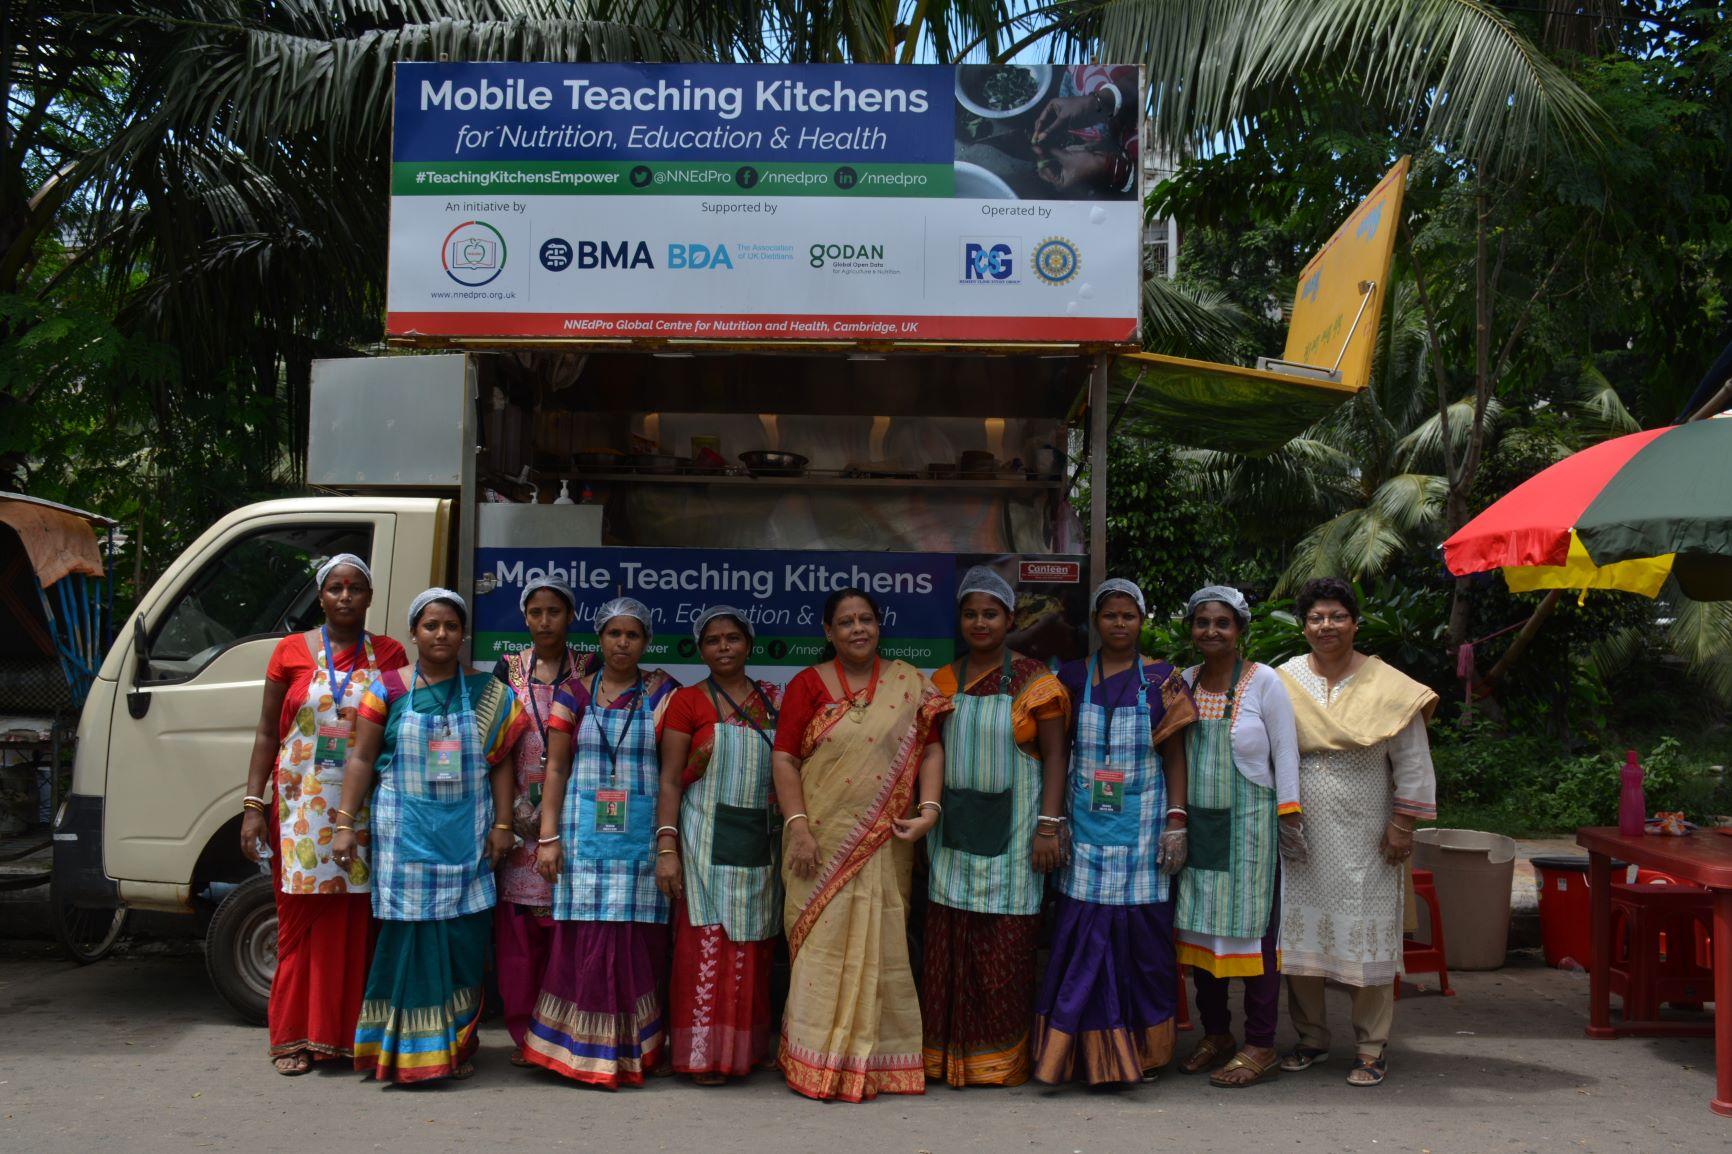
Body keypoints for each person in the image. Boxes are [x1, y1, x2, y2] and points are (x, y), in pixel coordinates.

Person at [330, 588, 527, 1084]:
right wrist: (343, 824)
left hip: (469, 839)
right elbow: (359, 759)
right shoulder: (388, 688)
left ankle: (455, 1045)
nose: (441, 634)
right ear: (414, 632)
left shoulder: (489, 692)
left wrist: (504, 825)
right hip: (405, 841)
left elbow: (500, 763)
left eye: (451, 627)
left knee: (463, 943)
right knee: (409, 943)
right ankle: (407, 1050)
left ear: (463, 635)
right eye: (431, 626)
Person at [771, 587, 950, 1102]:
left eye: (866, 619)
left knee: (884, 946)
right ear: (828, 632)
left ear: (879, 626)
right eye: (845, 622)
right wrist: (799, 826)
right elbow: (785, 759)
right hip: (818, 843)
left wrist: (929, 812)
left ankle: (877, 1063)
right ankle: (813, 1059)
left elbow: (931, 750)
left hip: (886, 840)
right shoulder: (807, 685)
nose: (857, 629)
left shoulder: (909, 684)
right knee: (821, 951)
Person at [240, 553, 407, 1075]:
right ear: (320, 595)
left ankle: (346, 1037)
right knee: (297, 924)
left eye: (355, 588)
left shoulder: (391, 654)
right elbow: (268, 733)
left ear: (370, 596)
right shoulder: (289, 652)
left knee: (357, 924)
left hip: (365, 812)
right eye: (335, 587)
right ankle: (292, 1037)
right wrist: (251, 805)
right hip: (297, 810)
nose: (344, 596)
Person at [1275, 576, 1438, 1088]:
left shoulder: (1388, 685)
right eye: (1316, 617)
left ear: (1355, 623)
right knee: (1299, 933)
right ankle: (1311, 1037)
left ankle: (1371, 1046)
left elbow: (1412, 762)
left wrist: (1402, 826)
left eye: (1337, 616)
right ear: (1304, 627)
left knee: (1368, 932)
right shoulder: (1281, 680)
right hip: (1298, 828)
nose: (1327, 626)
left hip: (1368, 832)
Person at [1032, 577, 1195, 1087]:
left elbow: (1175, 757)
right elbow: (1057, 755)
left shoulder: (1163, 680)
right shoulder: (1072, 677)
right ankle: (1078, 1052)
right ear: (1096, 622)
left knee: (1144, 946)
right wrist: (1052, 824)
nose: (1119, 624)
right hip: (1084, 832)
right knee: (1080, 938)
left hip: (1144, 833)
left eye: (1129, 615)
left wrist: (1176, 822)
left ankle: (1144, 1053)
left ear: (1142, 621)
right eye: (1110, 615)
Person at [921, 566, 1069, 1088]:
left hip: (1015, 840)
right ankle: (947, 1060)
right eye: (970, 613)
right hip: (953, 839)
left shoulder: (1037, 682)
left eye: (990, 613)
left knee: (1004, 951)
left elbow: (1054, 758)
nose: (979, 622)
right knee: (951, 954)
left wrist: (1048, 828)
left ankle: (998, 1062)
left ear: (1010, 619)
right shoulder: (941, 681)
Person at [527, 597, 679, 1089]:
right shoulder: (573, 694)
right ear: (599, 638)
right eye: (614, 634)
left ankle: (633, 1052)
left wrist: (666, 845)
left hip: (638, 844)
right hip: (581, 840)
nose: (622, 643)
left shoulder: (662, 694)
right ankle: (575, 1053)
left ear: (646, 642)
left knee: (634, 946)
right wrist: (547, 837)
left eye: (632, 635)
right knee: (583, 945)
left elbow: (673, 774)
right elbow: (555, 768)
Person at [1173, 585, 1304, 1089]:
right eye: (1202, 622)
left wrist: (1289, 816)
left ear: (1240, 630)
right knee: (1200, 933)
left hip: (1250, 827)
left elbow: (1286, 753)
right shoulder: (1181, 682)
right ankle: (1217, 1035)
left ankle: (1261, 1043)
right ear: (1191, 629)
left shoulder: (1264, 682)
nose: (1211, 631)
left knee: (1252, 939)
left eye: (1222, 623)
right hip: (1198, 827)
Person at [655, 605, 783, 1085]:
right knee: (705, 946)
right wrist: (667, 847)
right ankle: (703, 1055)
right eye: (713, 640)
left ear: (748, 644)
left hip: (760, 841)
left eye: (733, 638)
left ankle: (745, 1050)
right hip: (703, 837)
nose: (724, 647)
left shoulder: (774, 700)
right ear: (701, 649)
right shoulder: (688, 702)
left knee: (755, 948)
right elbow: (670, 779)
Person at [490, 577, 582, 1066]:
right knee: (521, 935)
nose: (545, 621)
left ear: (570, 617)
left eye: (555, 611)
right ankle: (526, 1035)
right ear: (524, 618)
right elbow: (497, 747)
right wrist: (507, 817)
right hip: (520, 815)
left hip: (573, 813)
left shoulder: (588, 668)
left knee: (565, 928)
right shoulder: (507, 669)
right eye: (536, 612)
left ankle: (562, 1036)